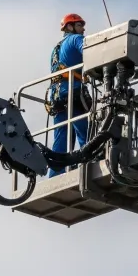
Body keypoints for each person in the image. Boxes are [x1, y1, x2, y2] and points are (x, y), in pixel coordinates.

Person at [47, 12, 91, 176]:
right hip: (73, 93)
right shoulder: (75, 39)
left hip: (57, 98)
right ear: (70, 27)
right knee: (85, 132)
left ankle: (54, 178)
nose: (83, 29)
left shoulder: (56, 49)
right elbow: (89, 51)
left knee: (61, 141)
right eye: (80, 25)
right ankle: (89, 164)